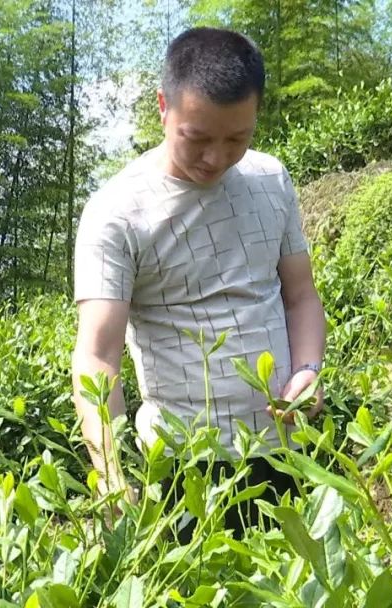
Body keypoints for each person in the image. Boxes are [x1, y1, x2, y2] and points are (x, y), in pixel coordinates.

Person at [71, 27, 326, 541]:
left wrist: (309, 369)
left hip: (288, 449)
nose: (216, 158)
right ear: (163, 106)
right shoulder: (116, 213)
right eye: (198, 137)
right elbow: (97, 357)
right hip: (185, 468)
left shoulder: (271, 179)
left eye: (237, 138)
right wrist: (114, 477)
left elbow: (301, 296)